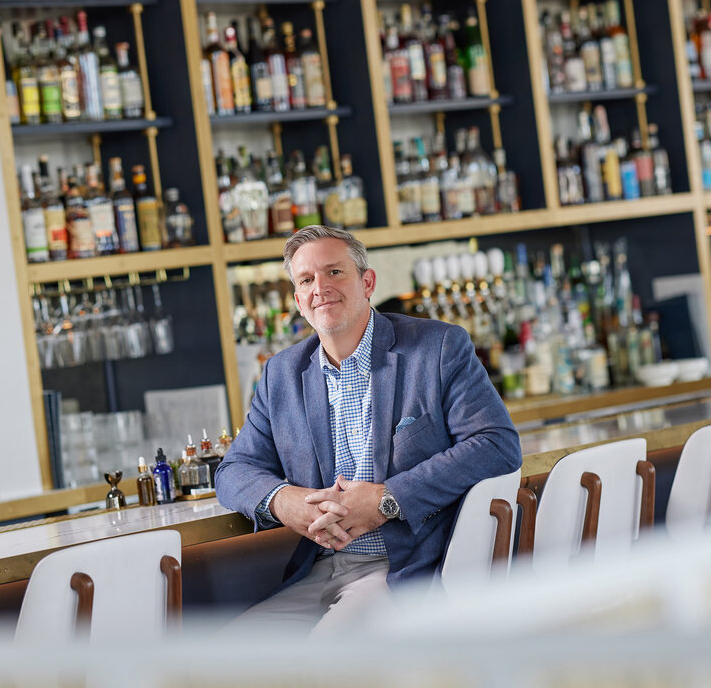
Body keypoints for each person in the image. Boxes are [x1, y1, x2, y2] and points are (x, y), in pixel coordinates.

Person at [215, 225, 522, 633]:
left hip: (402, 568)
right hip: (316, 569)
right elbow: (233, 471)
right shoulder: (281, 374)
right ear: (298, 301)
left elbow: (496, 445)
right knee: (224, 657)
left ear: (367, 281)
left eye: (334, 272)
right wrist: (283, 501)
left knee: (327, 657)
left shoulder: (438, 347)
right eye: (306, 280)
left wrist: (387, 499)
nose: (320, 287)